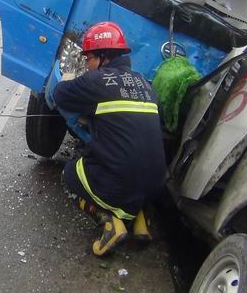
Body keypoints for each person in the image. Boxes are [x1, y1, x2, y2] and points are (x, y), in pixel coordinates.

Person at [53, 21, 166, 256]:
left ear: (103, 56)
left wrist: (67, 78)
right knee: (135, 167)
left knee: (70, 173)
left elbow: (60, 96)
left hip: (119, 185)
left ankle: (108, 224)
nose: (88, 64)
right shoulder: (147, 85)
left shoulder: (97, 80)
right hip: (156, 185)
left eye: (90, 58)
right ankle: (140, 223)